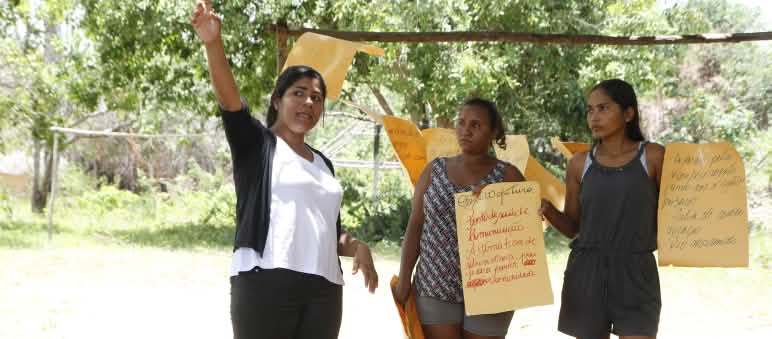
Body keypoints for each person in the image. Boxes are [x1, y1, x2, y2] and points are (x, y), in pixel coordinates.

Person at [191, 1, 379, 338]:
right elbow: (230, 101)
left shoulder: (324, 163)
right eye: (299, 93)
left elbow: (329, 232)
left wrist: (357, 246)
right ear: (277, 100)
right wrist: (212, 43)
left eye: (317, 98)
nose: (309, 102)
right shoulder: (257, 145)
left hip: (325, 289)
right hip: (266, 280)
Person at [541, 79, 665, 339]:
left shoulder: (653, 157)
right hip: (586, 273)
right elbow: (573, 227)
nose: (594, 117)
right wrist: (548, 210)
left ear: (628, 113)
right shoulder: (578, 164)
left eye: (603, 108)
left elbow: (674, 213)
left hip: (636, 272)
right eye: (590, 110)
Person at [393, 98, 526, 339]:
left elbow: (526, 232)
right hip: (435, 284)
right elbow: (415, 226)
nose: (466, 130)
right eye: (462, 123)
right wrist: (404, 279)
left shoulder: (508, 176)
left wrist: (498, 200)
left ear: (494, 131)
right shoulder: (434, 170)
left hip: (492, 288)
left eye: (476, 125)